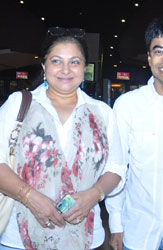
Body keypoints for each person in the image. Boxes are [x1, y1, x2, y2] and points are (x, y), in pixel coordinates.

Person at [0, 27, 125, 250]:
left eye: (75, 62)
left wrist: (93, 195)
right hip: (19, 238)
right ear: (44, 66)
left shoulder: (101, 112)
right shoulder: (18, 104)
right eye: (56, 61)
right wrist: (31, 198)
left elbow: (116, 167)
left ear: (85, 68)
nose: (65, 69)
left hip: (86, 237)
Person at [106, 15, 163, 250]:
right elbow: (116, 166)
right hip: (138, 230)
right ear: (149, 58)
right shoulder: (127, 105)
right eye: (159, 51)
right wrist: (116, 224)